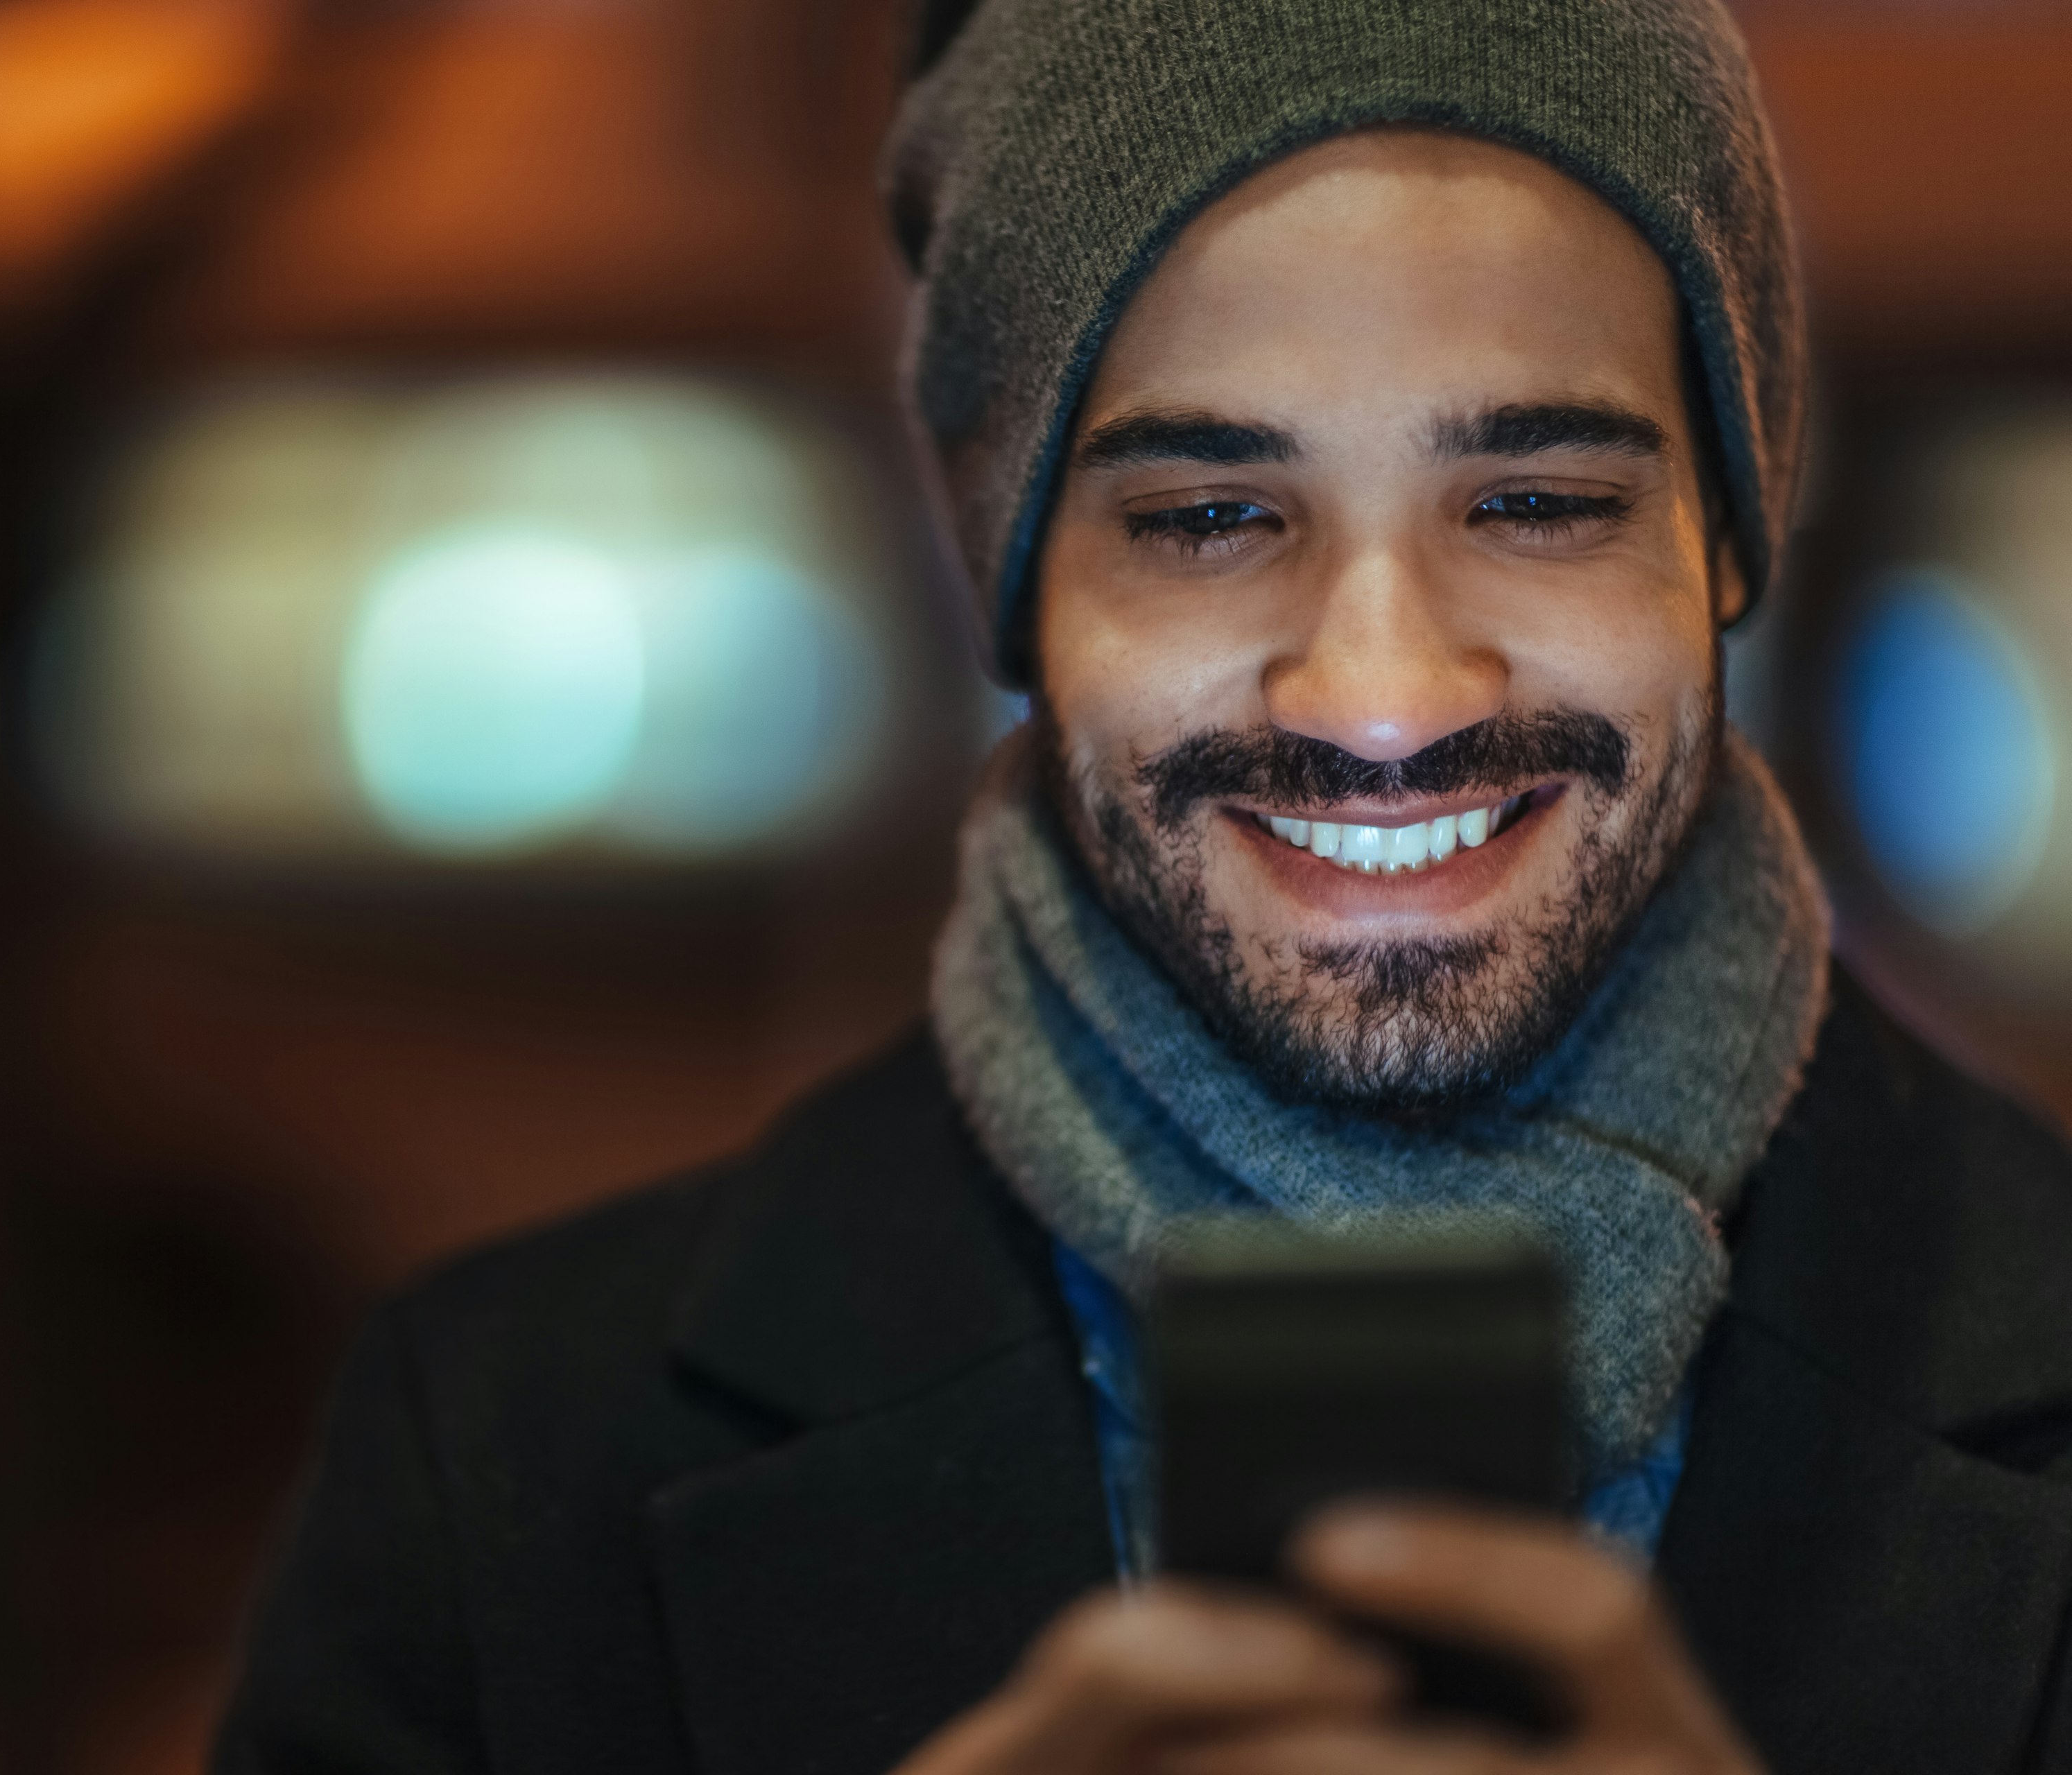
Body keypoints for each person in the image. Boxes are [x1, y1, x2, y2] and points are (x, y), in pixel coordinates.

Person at [214, 2, 2072, 1771]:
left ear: (1723, 536)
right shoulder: (497, 1455)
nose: (1382, 700)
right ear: (1016, 591)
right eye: (1204, 521)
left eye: (1536, 503)